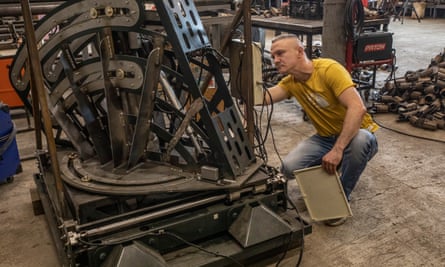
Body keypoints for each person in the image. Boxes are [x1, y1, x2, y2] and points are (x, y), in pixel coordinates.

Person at [263, 34, 379, 226]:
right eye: (273, 55)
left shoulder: (328, 70)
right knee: (289, 168)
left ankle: (339, 199)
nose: (275, 60)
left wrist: (338, 149)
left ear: (300, 52)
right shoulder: (291, 82)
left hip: (357, 135)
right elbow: (263, 98)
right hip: (325, 138)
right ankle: (335, 168)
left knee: (360, 142)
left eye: (281, 53)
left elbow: (358, 108)